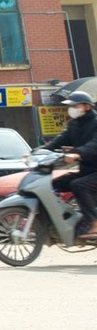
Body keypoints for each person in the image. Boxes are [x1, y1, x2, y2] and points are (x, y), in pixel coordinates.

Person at [43, 93, 97, 238]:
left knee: (79, 185)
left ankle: (94, 223)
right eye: (70, 106)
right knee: (53, 184)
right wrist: (39, 151)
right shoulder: (74, 124)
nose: (71, 109)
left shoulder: (96, 122)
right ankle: (65, 219)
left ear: (87, 107)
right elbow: (59, 140)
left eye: (75, 106)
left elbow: (94, 144)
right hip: (87, 170)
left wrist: (77, 153)